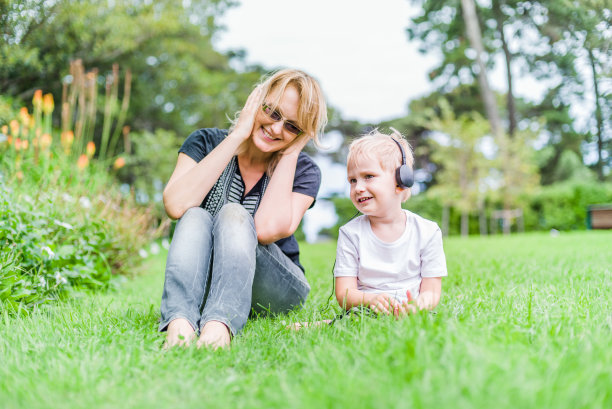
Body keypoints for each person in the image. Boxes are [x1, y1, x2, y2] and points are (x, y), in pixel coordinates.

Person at [159, 69, 327, 349]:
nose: (276, 129)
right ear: (255, 102)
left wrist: (291, 152)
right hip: (207, 279)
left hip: (276, 286)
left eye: (292, 127)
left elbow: (264, 229)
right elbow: (175, 205)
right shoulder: (205, 142)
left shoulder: (304, 170)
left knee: (234, 214)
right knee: (194, 215)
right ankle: (181, 323)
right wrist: (237, 136)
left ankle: (219, 326)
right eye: (272, 112)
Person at [333, 128, 447, 317]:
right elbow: (344, 294)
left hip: (413, 312)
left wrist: (417, 306)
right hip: (367, 310)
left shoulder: (427, 231)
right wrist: (370, 300)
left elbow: (432, 291)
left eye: (368, 176)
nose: (358, 188)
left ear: (401, 180)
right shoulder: (350, 233)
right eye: (352, 180)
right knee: (352, 321)